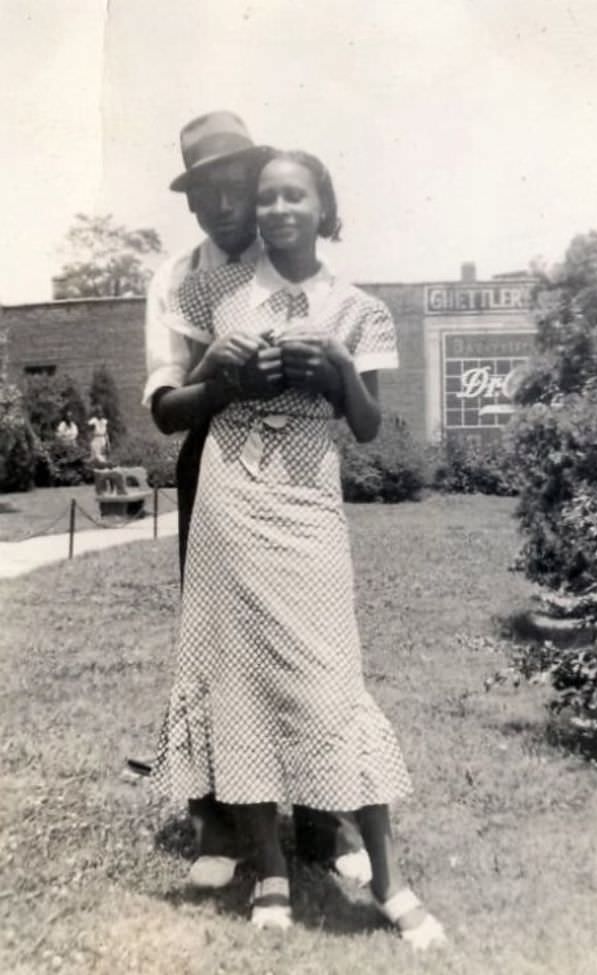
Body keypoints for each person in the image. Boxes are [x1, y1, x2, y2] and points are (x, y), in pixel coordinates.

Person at [151, 148, 446, 950]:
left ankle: (387, 879)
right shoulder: (213, 288)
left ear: (324, 208)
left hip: (308, 503)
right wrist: (221, 365)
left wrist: (340, 366)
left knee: (330, 676)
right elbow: (184, 389)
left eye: (296, 196)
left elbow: (368, 423)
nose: (279, 209)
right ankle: (271, 867)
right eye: (269, 197)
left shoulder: (360, 308)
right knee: (238, 677)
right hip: (229, 499)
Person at [142, 111, 369, 890]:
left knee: (308, 634)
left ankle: (322, 822)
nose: (227, 203)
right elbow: (166, 409)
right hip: (214, 456)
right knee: (217, 642)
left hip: (298, 464)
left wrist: (323, 367)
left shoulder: (298, 257)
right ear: (192, 203)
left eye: (237, 182)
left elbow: (352, 390)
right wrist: (217, 374)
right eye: (205, 192)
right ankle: (224, 823)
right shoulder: (180, 279)